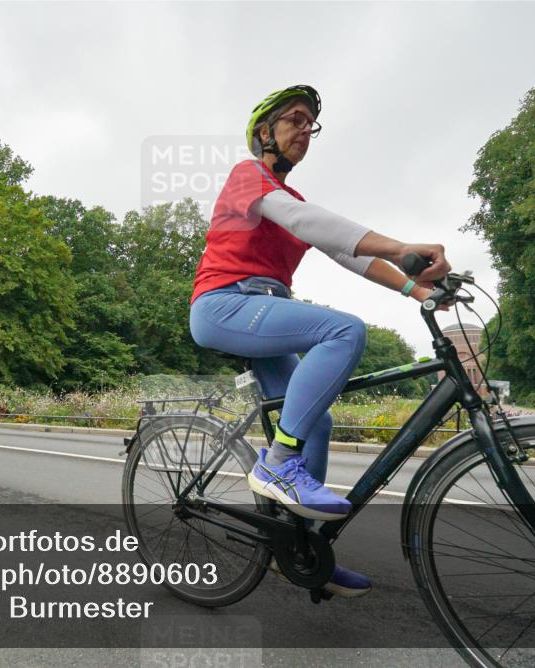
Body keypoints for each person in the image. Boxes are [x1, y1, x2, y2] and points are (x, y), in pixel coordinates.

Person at [189, 85, 451, 597]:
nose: (305, 130)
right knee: (343, 329)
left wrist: (419, 291)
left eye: (312, 124)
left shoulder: (292, 200)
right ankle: (279, 464)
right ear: (264, 132)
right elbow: (305, 222)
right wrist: (400, 246)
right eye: (295, 119)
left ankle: (302, 551)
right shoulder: (250, 177)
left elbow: (344, 252)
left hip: (261, 310)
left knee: (317, 419)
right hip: (223, 304)